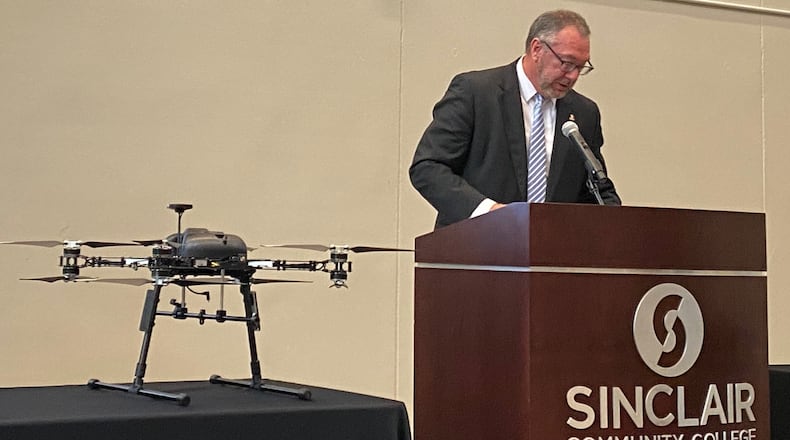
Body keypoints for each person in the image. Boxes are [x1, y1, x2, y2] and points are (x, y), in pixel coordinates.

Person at [410, 9, 621, 229]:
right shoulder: (476, 93)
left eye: (581, 67)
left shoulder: (584, 113)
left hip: (550, 253)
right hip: (474, 248)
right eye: (566, 63)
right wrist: (487, 211)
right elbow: (428, 167)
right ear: (537, 49)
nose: (573, 76)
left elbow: (595, 189)